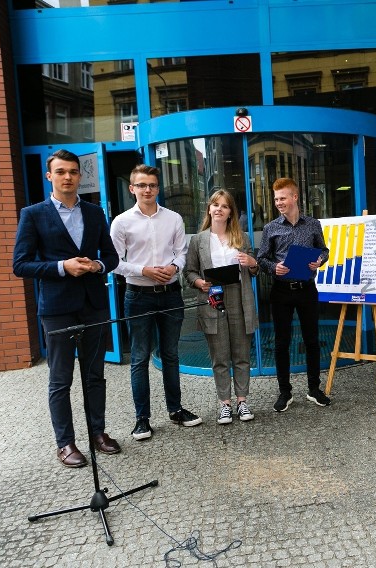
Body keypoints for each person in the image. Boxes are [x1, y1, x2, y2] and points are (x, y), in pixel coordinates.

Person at [12, 149, 122, 468]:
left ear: (79, 175)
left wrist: (97, 265)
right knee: (61, 379)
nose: (68, 177)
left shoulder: (94, 212)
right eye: (60, 172)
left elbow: (111, 257)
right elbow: (20, 265)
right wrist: (62, 266)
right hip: (57, 308)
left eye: (73, 171)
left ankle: (98, 433)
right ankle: (65, 443)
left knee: (95, 375)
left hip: (92, 305)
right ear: (50, 176)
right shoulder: (33, 214)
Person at [110, 164, 201, 441]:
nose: (147, 190)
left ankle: (175, 410)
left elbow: (181, 252)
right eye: (141, 185)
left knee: (171, 355)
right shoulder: (121, 222)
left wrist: (174, 267)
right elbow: (114, 262)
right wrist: (143, 270)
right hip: (138, 297)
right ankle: (142, 419)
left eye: (152, 185)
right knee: (139, 358)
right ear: (132, 188)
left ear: (158, 188)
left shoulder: (173, 218)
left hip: (170, 294)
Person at [256, 177, 331, 412]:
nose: (279, 202)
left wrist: (319, 260)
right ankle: (284, 392)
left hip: (307, 290)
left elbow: (324, 250)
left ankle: (314, 389)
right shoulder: (271, 228)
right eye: (276, 199)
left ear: (295, 197)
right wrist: (273, 268)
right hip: (281, 292)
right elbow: (261, 259)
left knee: (311, 341)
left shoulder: (313, 225)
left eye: (282, 198)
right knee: (281, 343)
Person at [185, 190, 260, 424]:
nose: (219, 209)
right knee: (219, 357)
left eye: (224, 206)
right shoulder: (198, 240)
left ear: (230, 213)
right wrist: (198, 282)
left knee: (241, 355)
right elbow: (188, 272)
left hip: (239, 298)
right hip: (212, 298)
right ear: (209, 209)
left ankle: (242, 401)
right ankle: (224, 405)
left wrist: (252, 263)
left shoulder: (242, 238)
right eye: (215, 205)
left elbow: (255, 270)